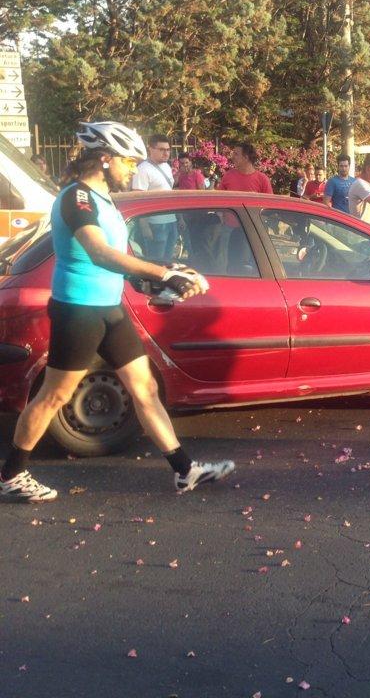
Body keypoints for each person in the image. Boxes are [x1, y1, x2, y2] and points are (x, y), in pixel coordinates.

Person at [0, 121, 235, 503]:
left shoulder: (105, 199)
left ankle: (184, 470)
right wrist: (164, 274)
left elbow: (121, 258)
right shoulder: (77, 198)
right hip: (80, 311)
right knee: (53, 396)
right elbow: (97, 252)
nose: (133, 169)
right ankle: (11, 474)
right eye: (129, 161)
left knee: (145, 389)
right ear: (105, 159)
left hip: (110, 309)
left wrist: (157, 275)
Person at [131, 134, 178, 261]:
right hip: (155, 224)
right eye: (162, 149)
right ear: (150, 149)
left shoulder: (167, 166)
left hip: (171, 220)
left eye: (168, 150)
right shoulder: (143, 169)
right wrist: (144, 227)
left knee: (168, 261)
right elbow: (138, 199)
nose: (166, 153)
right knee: (156, 261)